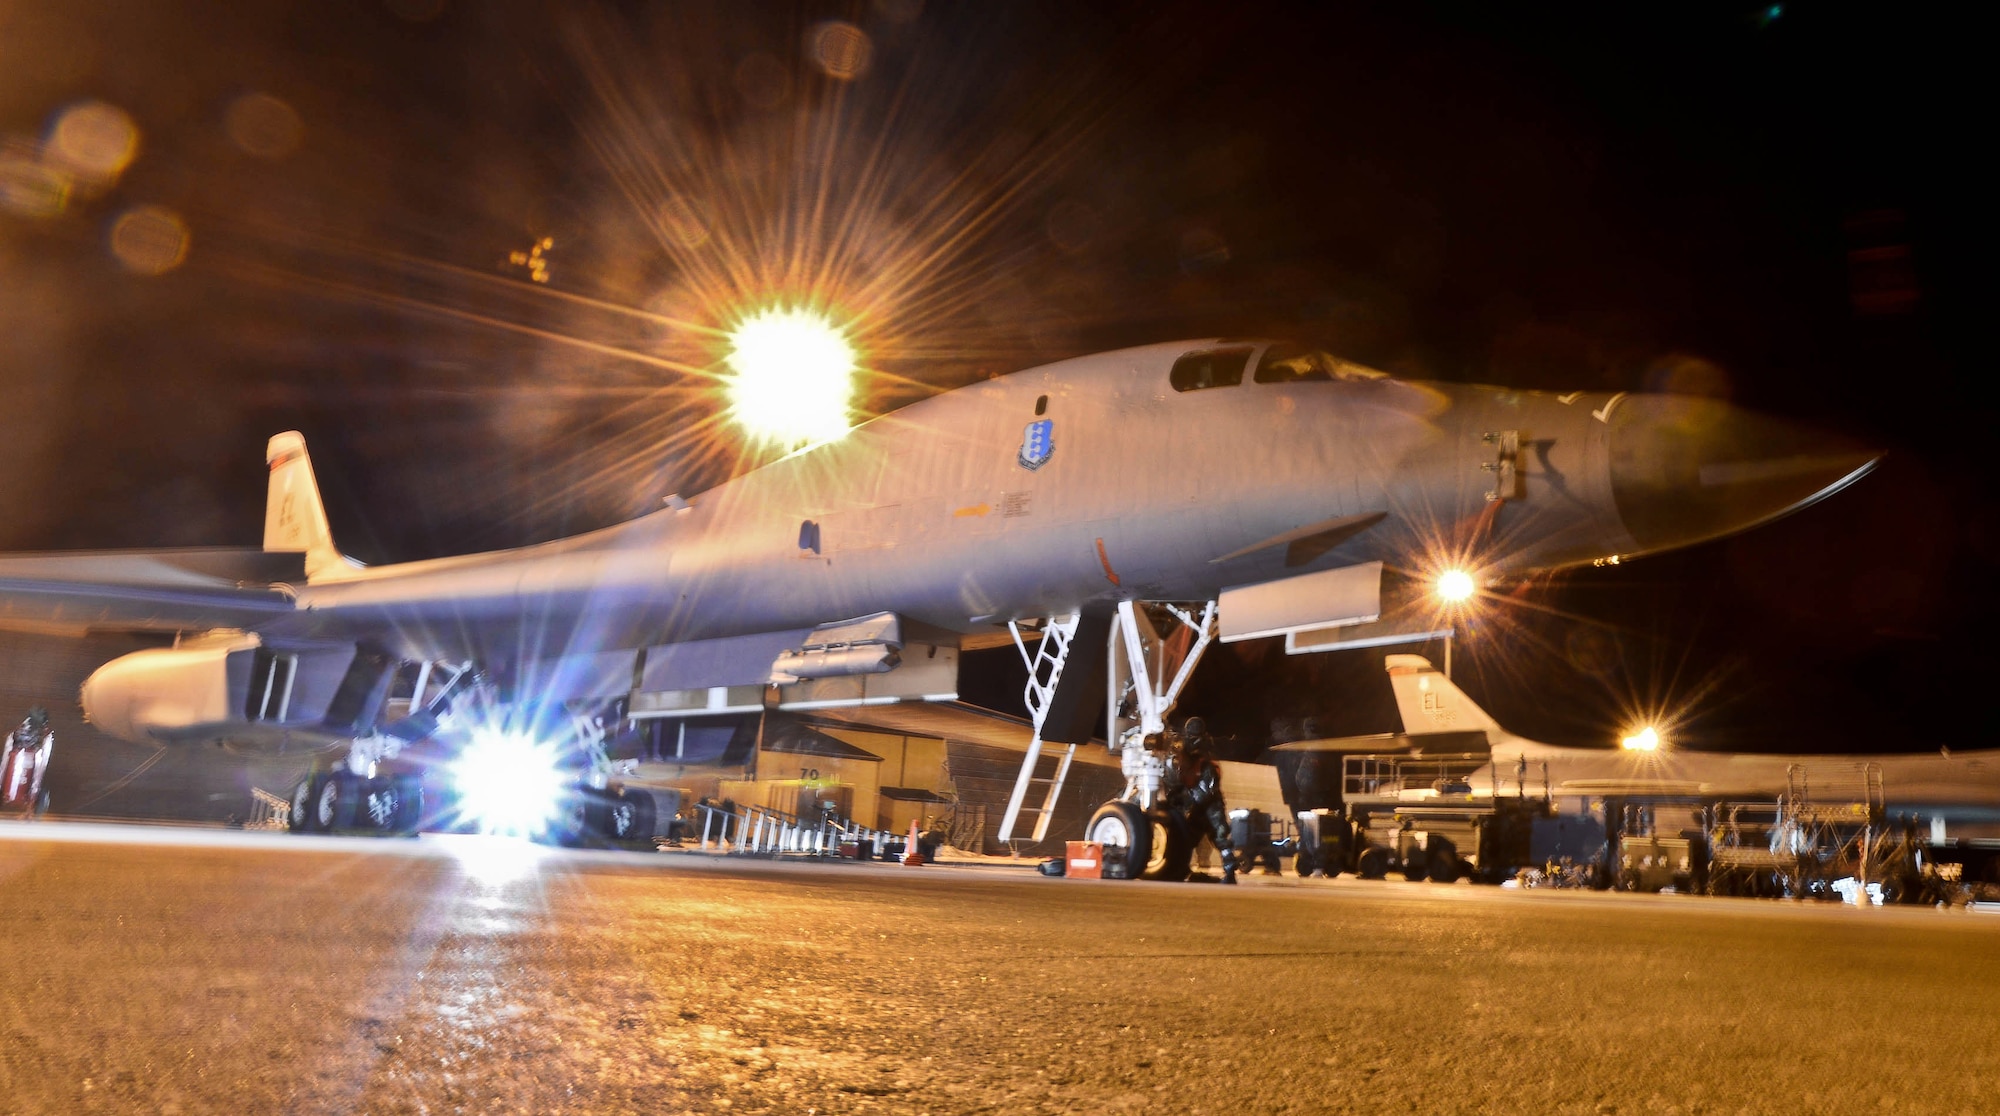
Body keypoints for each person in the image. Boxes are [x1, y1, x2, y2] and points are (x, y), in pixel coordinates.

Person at [1172, 716, 1237, 884]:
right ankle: (1184, 869)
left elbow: (1207, 786)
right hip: (1201, 801)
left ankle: (1229, 871)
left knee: (1219, 835)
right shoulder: (1198, 749)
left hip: (1208, 801)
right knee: (1194, 837)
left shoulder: (1203, 752)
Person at [2, 707, 54, 816]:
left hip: (22, 757)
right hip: (25, 758)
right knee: (35, 779)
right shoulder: (40, 733)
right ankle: (30, 807)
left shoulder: (21, 731)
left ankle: (30, 807)